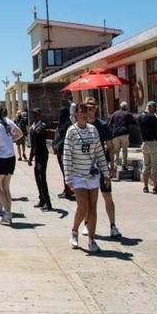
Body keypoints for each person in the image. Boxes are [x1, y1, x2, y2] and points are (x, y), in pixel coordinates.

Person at [64, 102, 111, 252]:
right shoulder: (71, 132)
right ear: (76, 114)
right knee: (83, 206)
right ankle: (74, 230)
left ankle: (91, 240)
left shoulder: (93, 130)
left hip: (92, 175)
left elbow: (99, 153)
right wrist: (68, 178)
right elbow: (67, 156)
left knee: (93, 208)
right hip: (78, 175)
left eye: (86, 112)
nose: (84, 114)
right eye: (81, 112)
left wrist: (106, 173)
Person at [83, 97, 121, 238]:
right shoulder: (81, 125)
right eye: (87, 107)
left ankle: (113, 226)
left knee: (107, 196)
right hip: (86, 167)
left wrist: (112, 164)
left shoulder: (103, 125)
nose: (90, 110)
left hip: (102, 165)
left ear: (96, 109)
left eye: (92, 107)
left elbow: (110, 146)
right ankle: (87, 224)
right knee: (88, 199)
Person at [0, 102, 23, 225]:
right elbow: (20, 133)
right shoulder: (9, 122)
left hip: (2, 158)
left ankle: (7, 213)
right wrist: (10, 140)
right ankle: (8, 214)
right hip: (11, 158)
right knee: (6, 188)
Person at [27, 108, 51, 211]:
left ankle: (48, 203)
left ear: (40, 115)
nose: (34, 116)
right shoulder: (33, 126)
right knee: (37, 177)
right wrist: (30, 157)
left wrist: (38, 129)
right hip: (37, 155)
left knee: (42, 179)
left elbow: (44, 132)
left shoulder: (41, 126)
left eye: (36, 114)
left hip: (42, 155)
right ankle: (42, 199)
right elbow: (33, 145)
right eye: (33, 114)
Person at [138, 101, 157, 194]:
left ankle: (145, 187)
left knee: (146, 165)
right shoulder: (152, 117)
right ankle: (155, 188)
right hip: (153, 143)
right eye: (154, 107)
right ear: (151, 107)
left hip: (144, 143)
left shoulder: (140, 116)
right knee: (156, 166)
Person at [53, 107, 74, 200]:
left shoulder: (68, 125)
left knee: (66, 172)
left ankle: (69, 192)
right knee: (64, 172)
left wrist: (57, 146)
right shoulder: (62, 123)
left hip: (64, 152)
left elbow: (64, 138)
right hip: (59, 151)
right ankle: (66, 190)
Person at [108, 102, 134, 172]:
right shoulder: (128, 114)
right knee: (124, 149)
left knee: (116, 150)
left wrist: (110, 133)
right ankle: (124, 164)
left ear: (120, 107)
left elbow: (110, 124)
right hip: (124, 133)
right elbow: (133, 122)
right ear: (127, 107)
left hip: (115, 134)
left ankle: (116, 164)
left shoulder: (115, 113)